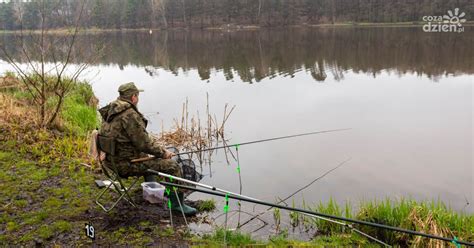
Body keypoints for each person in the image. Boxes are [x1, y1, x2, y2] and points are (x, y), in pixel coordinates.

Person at [98, 82, 197, 216]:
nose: (138, 99)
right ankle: (177, 205)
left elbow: (138, 143)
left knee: (148, 156)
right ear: (133, 97)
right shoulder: (129, 115)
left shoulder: (110, 111)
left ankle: (152, 189)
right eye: (137, 96)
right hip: (125, 165)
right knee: (172, 166)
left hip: (111, 162)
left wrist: (155, 152)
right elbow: (144, 144)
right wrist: (163, 153)